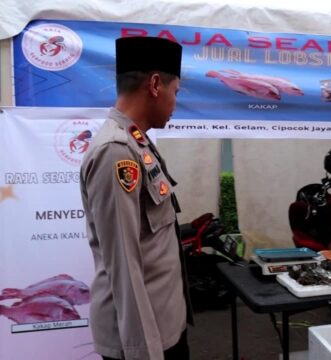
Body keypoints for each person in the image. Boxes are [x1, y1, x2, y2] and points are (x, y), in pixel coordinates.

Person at [80, 37, 193, 360]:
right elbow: (124, 264)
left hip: (163, 323)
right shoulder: (116, 152)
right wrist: (144, 352)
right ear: (156, 84)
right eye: (176, 92)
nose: (175, 102)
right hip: (143, 340)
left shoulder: (137, 142)